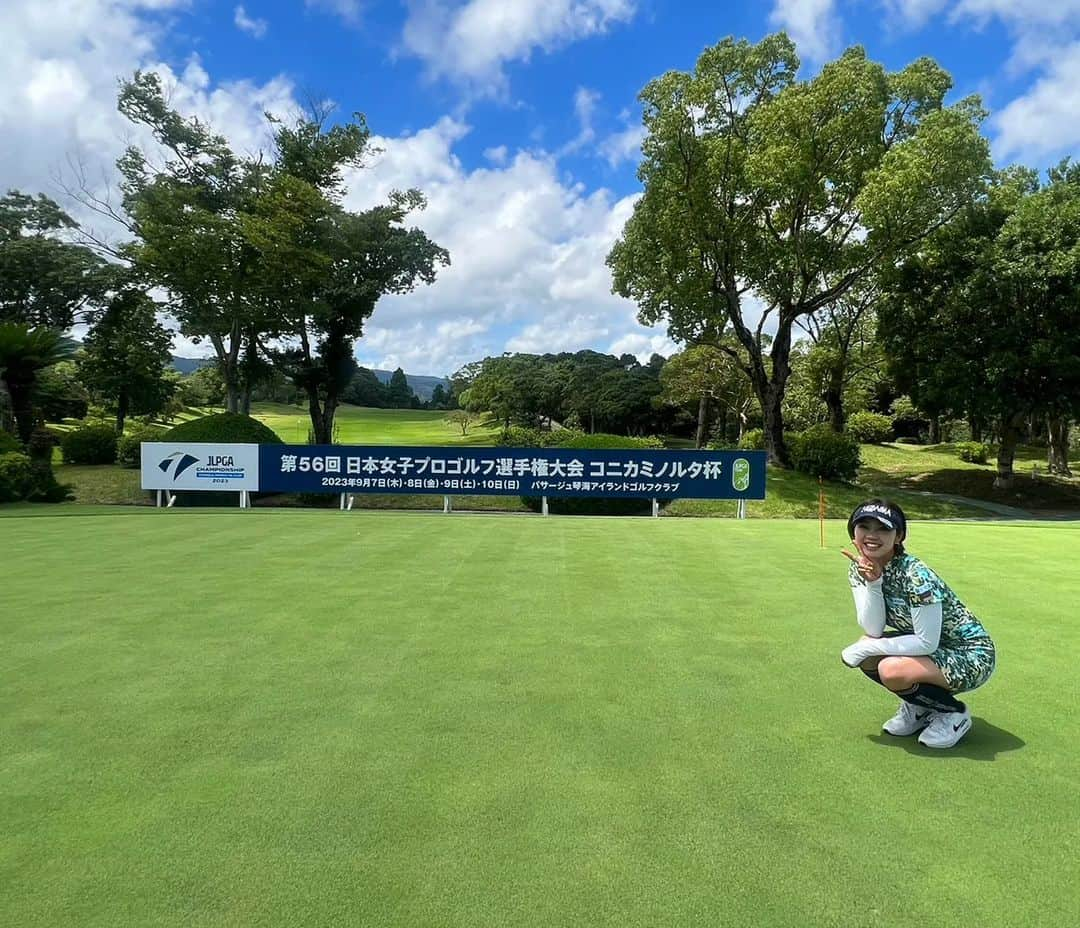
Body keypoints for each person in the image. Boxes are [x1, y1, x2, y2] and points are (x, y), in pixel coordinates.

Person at [840, 499, 995, 748]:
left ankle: (953, 713)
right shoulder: (860, 568)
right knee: (868, 651)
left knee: (890, 668)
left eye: (882, 528)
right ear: (853, 532)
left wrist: (868, 648)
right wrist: (874, 583)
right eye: (864, 527)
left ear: (899, 536)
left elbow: (927, 641)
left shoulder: (916, 575)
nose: (871, 535)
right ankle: (920, 708)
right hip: (931, 649)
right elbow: (874, 629)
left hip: (969, 654)